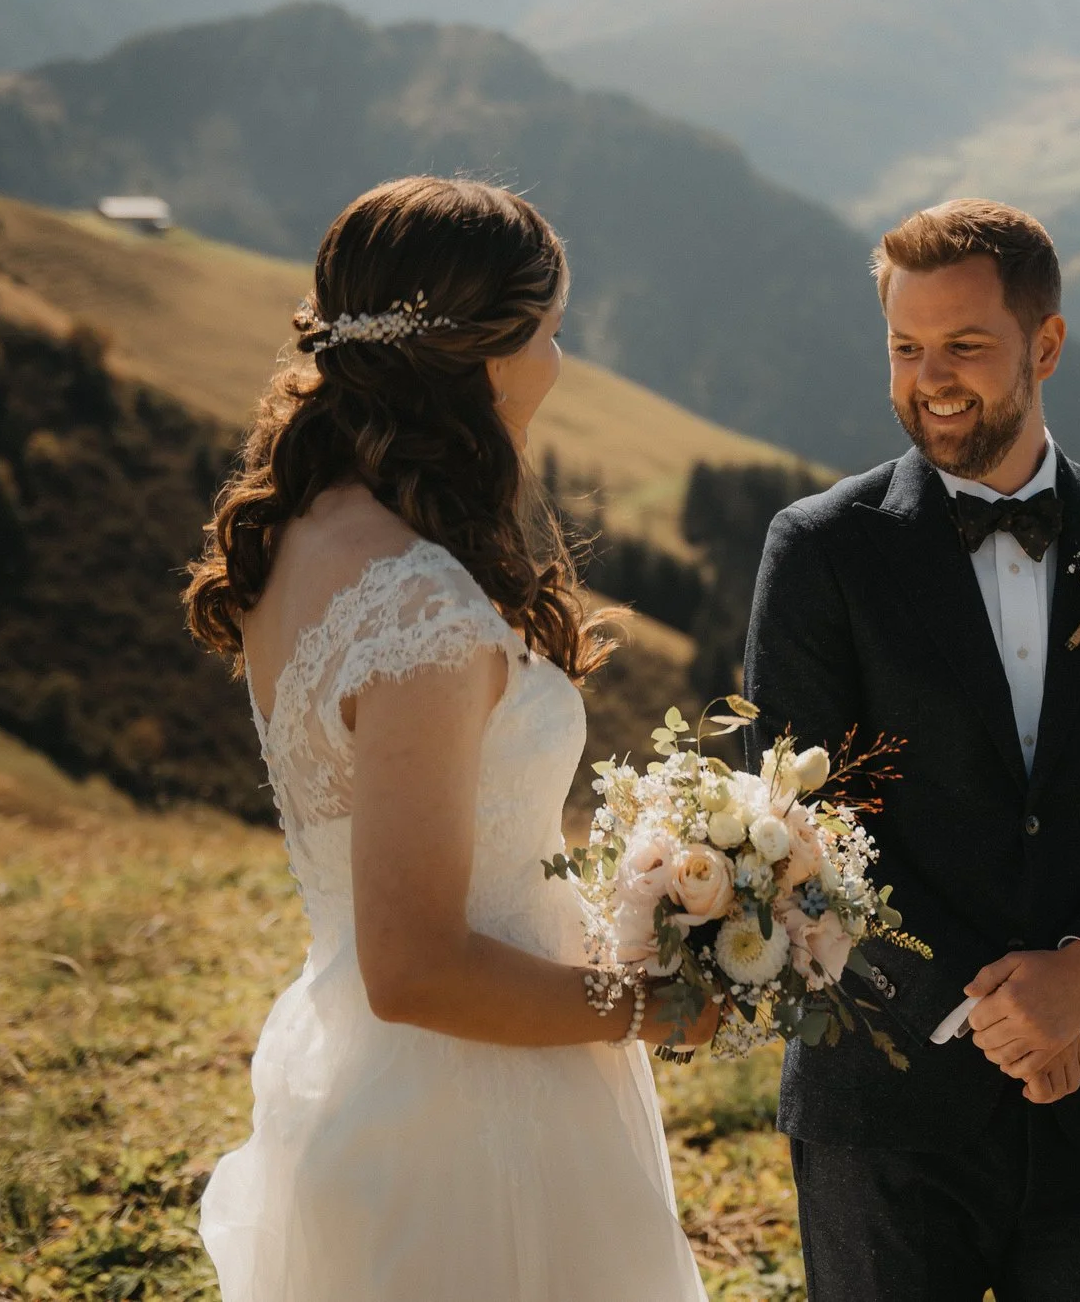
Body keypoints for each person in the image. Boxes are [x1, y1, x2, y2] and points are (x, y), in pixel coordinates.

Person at [183, 176, 714, 1301]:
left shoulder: (312, 532)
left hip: (389, 1088)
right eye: (552, 333)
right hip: (474, 1123)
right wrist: (648, 1006)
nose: (559, 365)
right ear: (486, 352)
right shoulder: (415, 604)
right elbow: (416, 965)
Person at [742, 198, 1080, 1300]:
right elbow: (810, 821)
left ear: (1045, 344)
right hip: (885, 1096)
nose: (932, 375)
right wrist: (1006, 1014)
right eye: (905, 347)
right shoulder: (819, 550)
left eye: (965, 343)